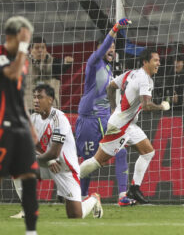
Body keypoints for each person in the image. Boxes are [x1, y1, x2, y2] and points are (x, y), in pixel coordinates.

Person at [79, 48, 170, 204]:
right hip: (119, 126)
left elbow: (111, 86)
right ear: (145, 62)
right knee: (97, 162)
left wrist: (114, 108)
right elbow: (146, 105)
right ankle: (69, 179)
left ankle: (134, 190)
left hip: (128, 125)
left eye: (159, 60)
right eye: (155, 60)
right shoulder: (145, 79)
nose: (158, 63)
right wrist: (161, 106)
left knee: (148, 152)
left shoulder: (131, 73)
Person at [13, 84, 103, 219]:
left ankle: (94, 199)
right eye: (35, 97)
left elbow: (55, 152)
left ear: (50, 100)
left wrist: (45, 159)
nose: (36, 100)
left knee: (75, 215)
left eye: (40, 97)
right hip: (48, 164)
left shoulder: (59, 120)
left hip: (65, 169)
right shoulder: (34, 119)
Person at [75, 18, 132, 206]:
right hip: (89, 120)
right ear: (101, 48)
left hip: (106, 119)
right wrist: (115, 29)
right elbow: (102, 48)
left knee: (121, 151)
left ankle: (122, 196)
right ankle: (81, 197)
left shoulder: (108, 69)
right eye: (109, 46)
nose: (112, 49)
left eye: (114, 47)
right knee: (89, 161)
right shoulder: (93, 63)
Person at [0, 16, 39, 235]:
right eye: (23, 38)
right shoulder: (3, 60)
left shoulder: (21, 62)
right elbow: (12, 74)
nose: (26, 41)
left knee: (29, 178)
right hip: (2, 128)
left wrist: (30, 127)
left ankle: (31, 232)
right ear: (11, 38)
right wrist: (24, 47)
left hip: (20, 127)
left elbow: (17, 97)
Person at [25, 36, 74, 111]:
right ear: (30, 50)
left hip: (49, 109)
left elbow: (60, 67)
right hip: (30, 108)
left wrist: (66, 63)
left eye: (43, 47)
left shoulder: (53, 62)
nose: (40, 50)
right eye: (37, 48)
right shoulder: (23, 63)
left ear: (46, 49)